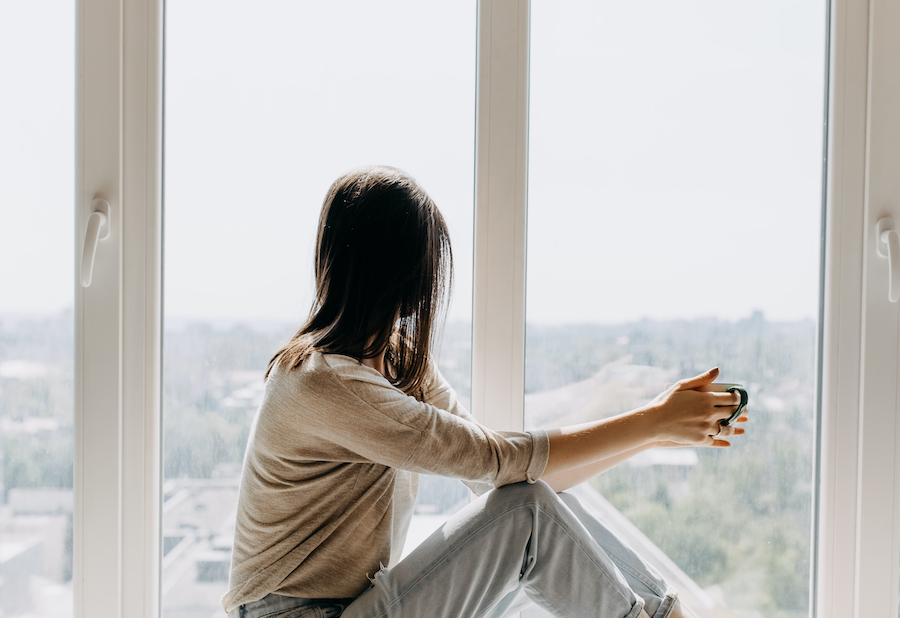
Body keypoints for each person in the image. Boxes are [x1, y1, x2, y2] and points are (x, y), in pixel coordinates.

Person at [221, 166, 748, 618]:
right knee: (527, 510)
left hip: (354, 607)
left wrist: (655, 430)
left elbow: (515, 475)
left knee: (542, 502)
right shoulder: (322, 382)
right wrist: (653, 420)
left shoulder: (398, 362)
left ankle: (665, 612)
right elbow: (498, 461)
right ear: (408, 278)